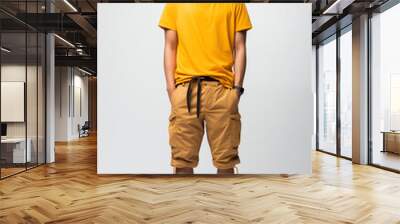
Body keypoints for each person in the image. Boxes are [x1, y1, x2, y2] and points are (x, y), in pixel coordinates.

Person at [159, 3, 252, 174]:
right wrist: (172, 91)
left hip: (222, 91)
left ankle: (225, 201)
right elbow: (170, 46)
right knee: (182, 162)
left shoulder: (236, 4)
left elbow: (240, 47)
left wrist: (237, 90)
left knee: (226, 163)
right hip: (185, 90)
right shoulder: (174, 4)